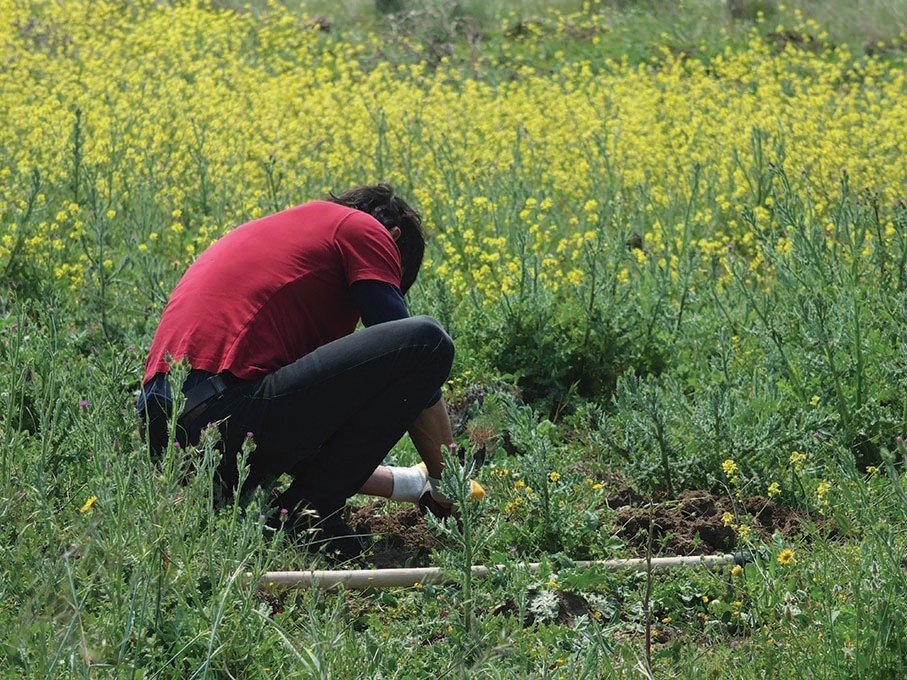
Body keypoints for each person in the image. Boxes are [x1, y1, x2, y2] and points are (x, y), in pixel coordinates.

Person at [137, 184, 481, 561]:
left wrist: (410, 484)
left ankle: (296, 508)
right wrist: (449, 480)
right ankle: (309, 516)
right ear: (392, 237)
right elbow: (414, 355)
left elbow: (311, 434)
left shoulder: (283, 237)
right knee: (427, 342)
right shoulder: (363, 228)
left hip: (170, 438)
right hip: (224, 410)